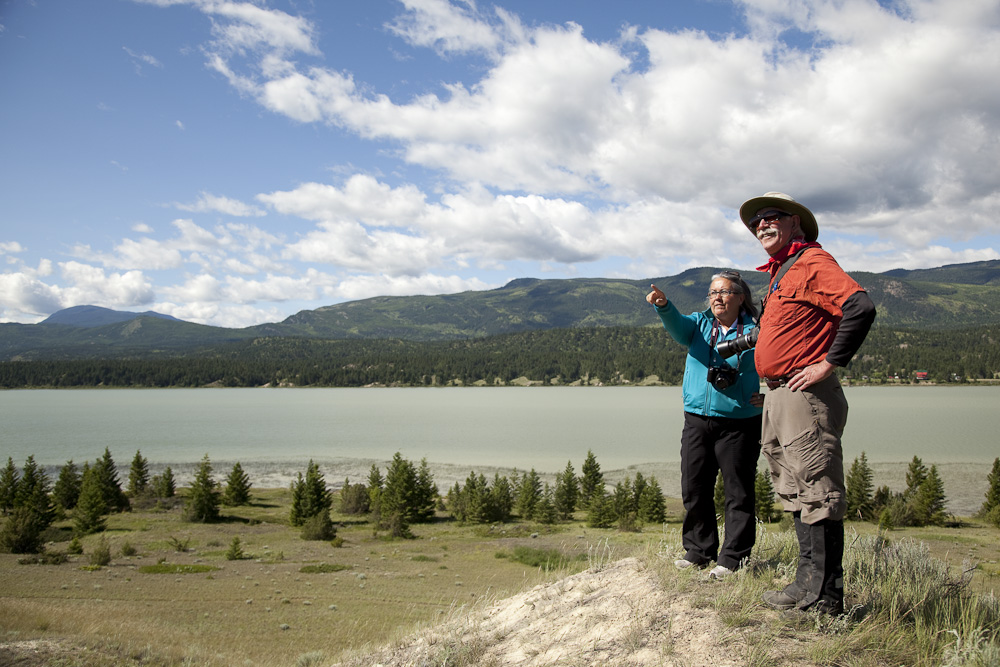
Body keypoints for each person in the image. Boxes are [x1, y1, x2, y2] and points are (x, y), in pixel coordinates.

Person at [739, 191, 876, 615]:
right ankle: (804, 585)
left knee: (819, 489)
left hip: (805, 395)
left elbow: (860, 306)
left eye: (771, 217)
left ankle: (827, 599)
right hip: (779, 394)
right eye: (756, 221)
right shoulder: (783, 271)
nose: (761, 224)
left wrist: (829, 363)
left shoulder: (813, 262)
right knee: (794, 488)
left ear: (795, 222)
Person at [647, 271, 764, 579]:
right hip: (697, 419)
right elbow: (678, 326)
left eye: (724, 292)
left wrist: (774, 396)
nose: (717, 298)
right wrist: (663, 305)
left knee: (738, 493)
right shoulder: (699, 325)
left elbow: (780, 363)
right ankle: (699, 551)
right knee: (694, 487)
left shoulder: (757, 330)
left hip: (739, 423)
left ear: (740, 297)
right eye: (712, 292)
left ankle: (733, 558)